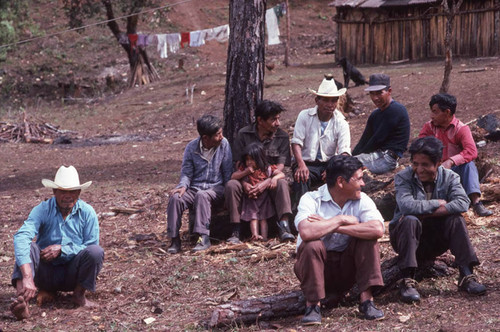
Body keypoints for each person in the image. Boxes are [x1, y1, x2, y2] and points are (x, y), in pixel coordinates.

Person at [390, 136, 486, 304]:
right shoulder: (404, 177)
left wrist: (426, 212)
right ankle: (406, 279)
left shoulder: (449, 177)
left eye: (425, 164)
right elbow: (406, 206)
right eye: (415, 164)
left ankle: (466, 274)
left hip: (436, 240)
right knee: (410, 220)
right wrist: (437, 203)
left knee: (456, 219)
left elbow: (463, 202)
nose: (419, 169)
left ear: (438, 162)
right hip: (406, 238)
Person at [294, 155, 385, 325]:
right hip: (316, 269)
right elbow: (306, 232)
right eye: (359, 179)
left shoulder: (362, 199)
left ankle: (367, 301)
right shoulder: (311, 199)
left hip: (348, 270)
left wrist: (332, 226)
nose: (363, 184)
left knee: (367, 239)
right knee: (311, 244)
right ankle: (313, 305)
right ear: (341, 182)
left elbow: (377, 229)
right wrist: (341, 219)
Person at [10, 165, 104, 321]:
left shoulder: (88, 212)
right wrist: (27, 276)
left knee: (95, 251)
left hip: (73, 276)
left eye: (72, 191)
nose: (68, 196)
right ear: (54, 192)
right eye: (63, 191)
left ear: (79, 193)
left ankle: (79, 296)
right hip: (44, 273)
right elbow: (21, 236)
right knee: (28, 246)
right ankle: (22, 303)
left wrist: (63, 250)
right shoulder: (42, 209)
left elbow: (91, 245)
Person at [225, 100, 295, 243]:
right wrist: (245, 183)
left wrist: (267, 181)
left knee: (281, 183)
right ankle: (235, 230)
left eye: (278, 119)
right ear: (260, 120)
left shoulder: (281, 136)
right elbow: (238, 163)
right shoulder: (244, 134)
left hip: (270, 180)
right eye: (273, 119)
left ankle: (284, 226)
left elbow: (282, 166)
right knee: (232, 185)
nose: (278, 123)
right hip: (248, 180)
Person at [166, 115, 232, 253]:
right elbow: (186, 172)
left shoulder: (224, 144)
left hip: (216, 187)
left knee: (202, 195)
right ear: (205, 138)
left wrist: (227, 194)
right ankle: (174, 239)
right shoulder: (191, 147)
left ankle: (203, 238)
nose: (221, 137)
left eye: (221, 133)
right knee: (175, 198)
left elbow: (227, 172)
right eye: (217, 134)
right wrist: (182, 186)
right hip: (195, 187)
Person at [419, 93, 493, 217]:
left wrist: (451, 161)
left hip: (455, 171)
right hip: (434, 170)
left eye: (435, 112)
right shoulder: (429, 127)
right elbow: (419, 145)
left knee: (469, 165)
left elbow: (471, 151)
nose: (432, 116)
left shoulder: (461, 128)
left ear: (447, 112)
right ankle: (427, 203)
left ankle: (476, 202)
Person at [291, 75, 350, 207]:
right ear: (317, 100)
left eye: (334, 101)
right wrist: (301, 164)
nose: (330, 105)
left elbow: (344, 151)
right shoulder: (305, 116)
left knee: (339, 181)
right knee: (301, 178)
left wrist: (333, 169)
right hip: (307, 162)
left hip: (329, 164)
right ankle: (302, 215)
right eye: (326, 101)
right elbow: (296, 143)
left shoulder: (341, 122)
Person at [352, 73, 410, 174]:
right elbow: (364, 140)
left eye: (379, 93)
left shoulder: (396, 110)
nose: (375, 98)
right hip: (375, 155)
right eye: (372, 94)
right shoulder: (375, 114)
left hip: (387, 158)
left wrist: (351, 160)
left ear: (389, 91)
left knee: (346, 166)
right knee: (343, 162)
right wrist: (352, 155)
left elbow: (376, 140)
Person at [230, 142, 285, 241]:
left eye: (252, 159)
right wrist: (245, 172)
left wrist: (274, 179)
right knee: (253, 217)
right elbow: (233, 176)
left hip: (264, 198)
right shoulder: (244, 168)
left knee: (263, 218)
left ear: (259, 158)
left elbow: (281, 174)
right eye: (247, 159)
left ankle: (264, 237)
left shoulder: (267, 168)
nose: (249, 162)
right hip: (251, 198)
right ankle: (255, 235)